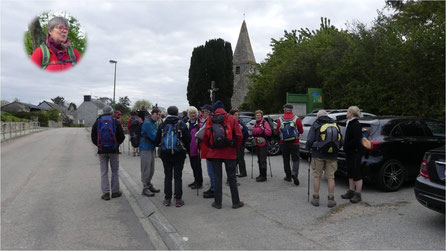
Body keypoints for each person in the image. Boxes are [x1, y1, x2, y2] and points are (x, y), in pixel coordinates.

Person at [202, 101, 244, 209]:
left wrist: (211, 146)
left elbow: (205, 137)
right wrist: (235, 147)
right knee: (232, 178)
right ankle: (236, 202)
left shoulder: (210, 119)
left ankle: (218, 203)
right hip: (230, 153)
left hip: (215, 153)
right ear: (224, 109)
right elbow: (239, 135)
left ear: (214, 110)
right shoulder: (232, 118)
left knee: (217, 178)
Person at [155, 106, 190, 207]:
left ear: (168, 113)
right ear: (177, 112)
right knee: (178, 176)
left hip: (165, 154)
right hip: (179, 153)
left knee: (168, 176)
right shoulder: (182, 124)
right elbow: (188, 139)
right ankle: (178, 199)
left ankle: (167, 199)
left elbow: (157, 140)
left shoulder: (162, 124)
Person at [306, 110, 341, 208]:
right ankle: (331, 199)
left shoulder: (316, 124)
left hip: (318, 154)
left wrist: (308, 148)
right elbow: (340, 140)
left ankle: (316, 198)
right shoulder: (335, 124)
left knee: (317, 176)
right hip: (332, 155)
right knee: (331, 177)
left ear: (318, 117)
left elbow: (310, 139)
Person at [91, 106, 125, 200]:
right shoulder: (115, 121)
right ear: (111, 112)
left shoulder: (98, 122)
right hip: (113, 150)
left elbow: (93, 136)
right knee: (115, 171)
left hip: (102, 150)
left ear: (103, 112)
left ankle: (106, 193)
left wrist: (99, 145)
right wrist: (116, 144)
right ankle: (115, 192)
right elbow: (122, 136)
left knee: (104, 172)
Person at [341, 106, 364, 203]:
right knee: (350, 171)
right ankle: (351, 191)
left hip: (355, 152)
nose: (346, 113)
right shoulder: (349, 123)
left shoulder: (356, 124)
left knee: (356, 173)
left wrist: (346, 145)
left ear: (351, 113)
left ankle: (358, 194)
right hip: (349, 152)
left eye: (347, 111)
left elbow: (356, 139)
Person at [277, 104, 304, 185]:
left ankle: (288, 177)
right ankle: (294, 173)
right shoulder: (297, 118)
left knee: (286, 160)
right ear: (291, 109)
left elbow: (278, 131)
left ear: (285, 109)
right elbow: (301, 131)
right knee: (295, 159)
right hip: (295, 142)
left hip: (284, 143)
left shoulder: (280, 119)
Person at [140, 107, 161, 197]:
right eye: (157, 114)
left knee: (151, 168)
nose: (158, 116)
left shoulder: (154, 123)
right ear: (152, 114)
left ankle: (149, 185)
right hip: (145, 147)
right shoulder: (147, 124)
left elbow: (156, 135)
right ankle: (145, 188)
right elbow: (154, 136)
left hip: (151, 147)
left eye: (160, 115)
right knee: (146, 168)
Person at [196, 104, 215, 198]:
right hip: (211, 148)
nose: (201, 113)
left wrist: (196, 134)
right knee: (212, 170)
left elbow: (200, 134)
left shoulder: (209, 121)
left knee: (211, 170)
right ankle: (213, 188)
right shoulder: (210, 120)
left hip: (209, 149)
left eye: (203, 111)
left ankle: (213, 189)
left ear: (208, 112)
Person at [185, 106, 203, 189]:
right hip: (189, 148)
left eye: (194, 113)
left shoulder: (199, 124)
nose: (192, 114)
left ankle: (199, 183)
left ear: (196, 114)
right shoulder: (187, 123)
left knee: (197, 166)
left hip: (196, 148)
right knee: (193, 165)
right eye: (191, 113)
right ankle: (196, 180)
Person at [252, 110, 272, 182]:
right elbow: (253, 132)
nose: (257, 117)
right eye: (256, 115)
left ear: (261, 116)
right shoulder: (255, 123)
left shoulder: (264, 123)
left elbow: (269, 133)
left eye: (259, 115)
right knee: (259, 160)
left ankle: (264, 176)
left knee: (262, 160)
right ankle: (261, 174)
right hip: (257, 143)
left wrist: (263, 130)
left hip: (263, 144)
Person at [230, 108, 249, 178]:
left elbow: (246, 132)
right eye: (235, 115)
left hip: (240, 143)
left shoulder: (240, 122)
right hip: (235, 143)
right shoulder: (233, 122)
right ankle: (236, 172)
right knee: (236, 159)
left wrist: (240, 132)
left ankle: (243, 172)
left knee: (240, 158)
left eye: (238, 115)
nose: (237, 116)